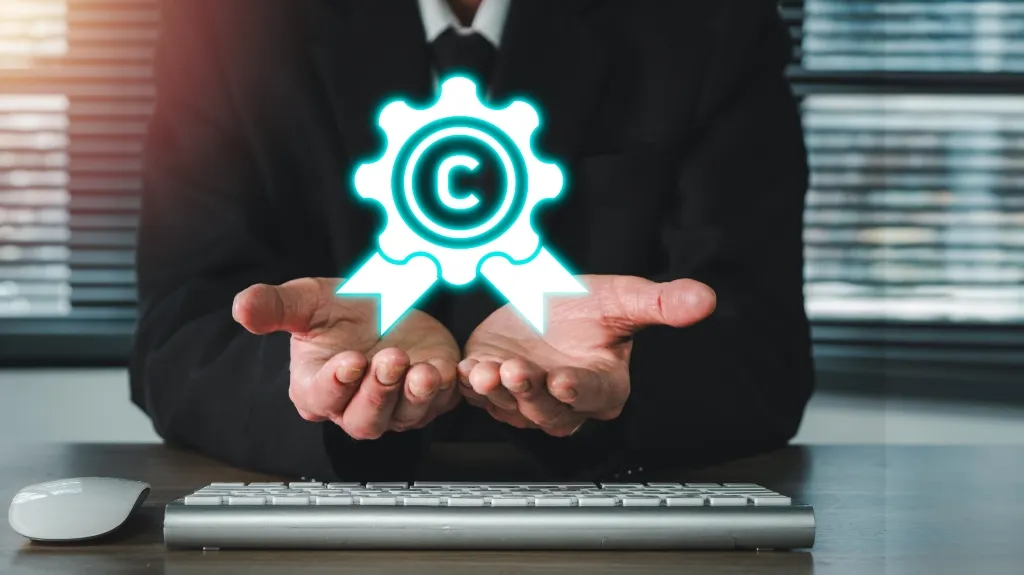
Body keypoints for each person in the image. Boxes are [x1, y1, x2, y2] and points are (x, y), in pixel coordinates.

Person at [129, 0, 815, 481]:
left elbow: (760, 353)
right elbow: (176, 336)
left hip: (609, 508)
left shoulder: (712, 20)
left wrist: (613, 387)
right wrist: (316, 384)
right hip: (330, 510)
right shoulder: (226, 21)